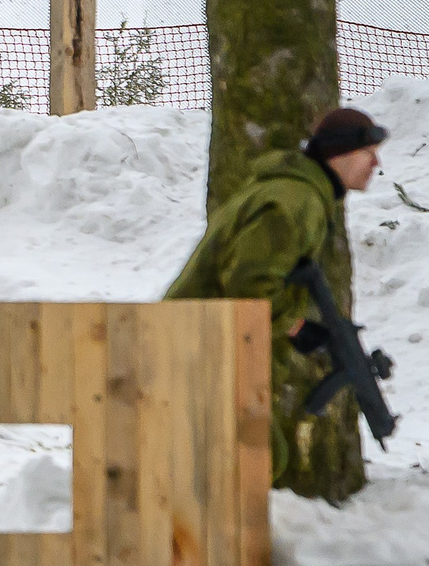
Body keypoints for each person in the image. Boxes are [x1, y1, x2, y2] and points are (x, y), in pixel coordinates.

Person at [165, 106, 388, 483]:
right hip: (198, 342)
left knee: (255, 456)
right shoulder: (293, 202)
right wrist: (295, 325)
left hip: (205, 337)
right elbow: (247, 286)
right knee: (251, 459)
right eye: (369, 152)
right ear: (341, 154)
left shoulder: (301, 194)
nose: (376, 163)